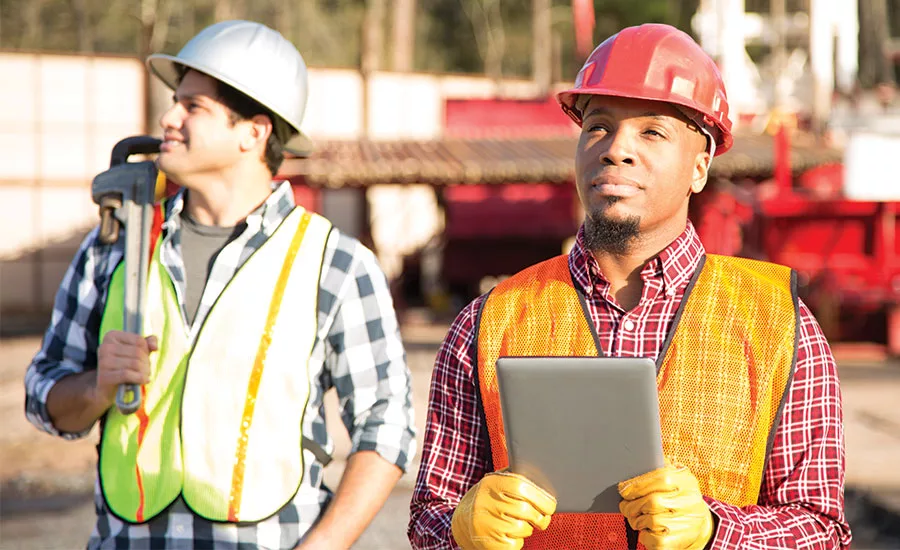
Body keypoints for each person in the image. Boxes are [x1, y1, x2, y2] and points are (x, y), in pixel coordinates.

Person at [409, 23, 851, 550]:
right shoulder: (487, 323)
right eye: (598, 126)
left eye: (652, 132)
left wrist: (716, 530)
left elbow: (823, 530)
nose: (616, 149)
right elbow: (428, 518)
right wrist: (455, 528)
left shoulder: (779, 324)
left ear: (700, 166)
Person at [24, 20, 416, 549]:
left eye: (193, 106)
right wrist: (97, 388)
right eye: (175, 102)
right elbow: (44, 396)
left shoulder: (335, 264)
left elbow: (386, 426)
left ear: (253, 132)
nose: (168, 118)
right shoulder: (114, 245)